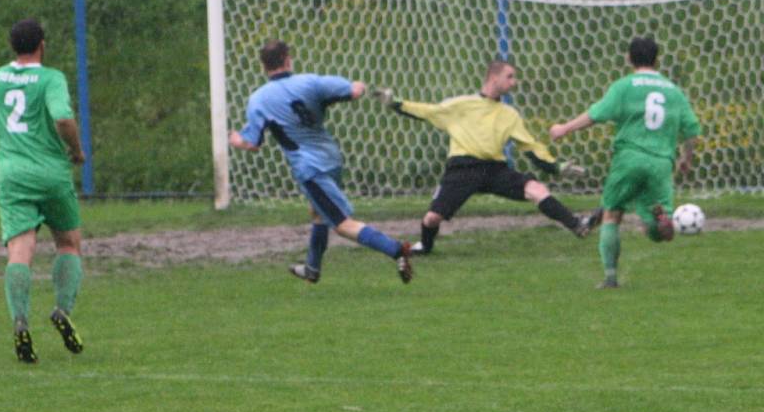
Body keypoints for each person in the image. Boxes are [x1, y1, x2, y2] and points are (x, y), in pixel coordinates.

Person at [229, 40, 412, 284]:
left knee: (342, 225)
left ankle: (396, 250)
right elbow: (354, 90)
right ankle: (312, 268)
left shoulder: (259, 99)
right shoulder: (310, 82)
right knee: (318, 212)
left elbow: (252, 144)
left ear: (263, 66)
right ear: (287, 59)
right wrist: (361, 86)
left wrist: (235, 139)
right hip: (331, 158)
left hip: (309, 168)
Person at [375, 59, 602, 256]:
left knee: (536, 189)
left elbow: (531, 147)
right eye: (510, 76)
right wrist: (395, 103)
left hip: (494, 169)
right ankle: (424, 246)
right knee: (433, 218)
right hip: (463, 168)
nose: (514, 82)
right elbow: (427, 111)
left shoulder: (509, 114)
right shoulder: (461, 105)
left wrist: (556, 167)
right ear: (493, 78)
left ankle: (577, 225)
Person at [0, 19, 86, 363]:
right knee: (68, 243)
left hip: (12, 176)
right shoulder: (50, 78)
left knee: (19, 251)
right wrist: (77, 151)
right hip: (50, 173)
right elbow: (63, 118)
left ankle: (20, 319)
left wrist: (4, 139)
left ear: (12, 46)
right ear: (42, 44)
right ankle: (62, 310)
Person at [550, 36, 701, 288]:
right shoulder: (673, 90)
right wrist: (686, 158)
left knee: (612, 214)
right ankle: (660, 223)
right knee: (656, 223)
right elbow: (692, 130)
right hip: (661, 162)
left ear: (629, 58)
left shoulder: (624, 86)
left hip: (629, 158)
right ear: (657, 59)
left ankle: (610, 278)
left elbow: (595, 114)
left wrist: (565, 128)